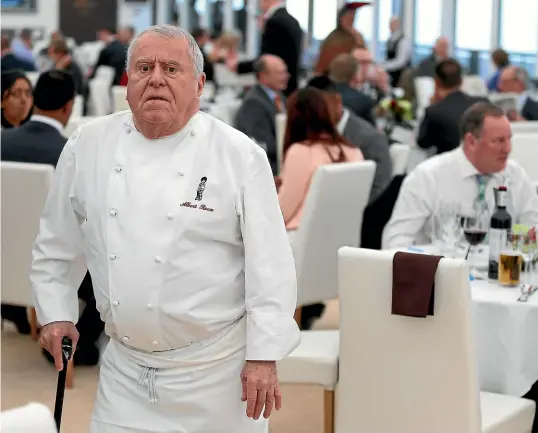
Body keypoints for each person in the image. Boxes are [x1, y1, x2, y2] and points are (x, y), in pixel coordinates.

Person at [31, 25, 300, 433]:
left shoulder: (239, 155)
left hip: (216, 377)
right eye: (144, 67)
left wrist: (263, 357)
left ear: (199, 84)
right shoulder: (88, 145)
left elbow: (271, 266)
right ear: (128, 81)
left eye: (171, 68)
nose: (155, 78)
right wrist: (55, 313)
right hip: (123, 374)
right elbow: (56, 243)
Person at [383, 102, 538, 249]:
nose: (507, 149)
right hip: (441, 271)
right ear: (471, 142)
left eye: (509, 139)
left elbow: (533, 227)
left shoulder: (516, 176)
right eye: (499, 141)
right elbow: (395, 240)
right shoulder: (428, 177)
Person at [279, 86, 363, 231]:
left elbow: (281, 213)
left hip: (297, 238)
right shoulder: (354, 152)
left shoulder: (300, 152)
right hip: (343, 240)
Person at [417, 58, 486, 155]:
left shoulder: (434, 111)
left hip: (448, 166)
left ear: (437, 82)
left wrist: (435, 104)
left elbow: (422, 143)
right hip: (482, 163)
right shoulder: (483, 103)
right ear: (461, 80)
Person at [235, 55, 289, 174]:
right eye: (280, 73)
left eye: (285, 72)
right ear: (263, 75)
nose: (286, 77)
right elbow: (261, 144)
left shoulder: (279, 97)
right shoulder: (253, 103)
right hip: (269, 168)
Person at [257, 0, 302, 96]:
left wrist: (239, 67)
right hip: (290, 86)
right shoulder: (292, 21)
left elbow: (266, 61)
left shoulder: (274, 22)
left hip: (277, 87)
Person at [315, 1, 370, 75]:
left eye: (353, 17)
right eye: (349, 17)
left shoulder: (356, 35)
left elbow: (364, 58)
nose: (351, 20)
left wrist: (358, 39)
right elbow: (323, 65)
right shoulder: (333, 38)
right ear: (341, 18)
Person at [329, 53, 376, 125]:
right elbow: (371, 132)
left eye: (367, 63)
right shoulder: (363, 101)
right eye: (362, 63)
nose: (365, 67)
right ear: (355, 74)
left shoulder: (315, 95)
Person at [382, 16, 412, 87]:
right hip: (390, 74)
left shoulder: (404, 41)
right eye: (390, 24)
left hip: (400, 76)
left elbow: (401, 62)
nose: (391, 26)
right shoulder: (390, 40)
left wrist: (386, 66)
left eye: (393, 24)